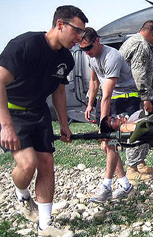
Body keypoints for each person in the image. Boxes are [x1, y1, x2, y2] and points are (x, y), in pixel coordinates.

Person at [0, 5, 88, 236]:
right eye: (77, 32)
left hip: (38, 112)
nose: (80, 39)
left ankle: (45, 226)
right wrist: (6, 125)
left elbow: (59, 92)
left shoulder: (66, 58)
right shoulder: (24, 46)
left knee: (47, 164)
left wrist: (65, 124)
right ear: (60, 24)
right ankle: (22, 196)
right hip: (11, 111)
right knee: (28, 164)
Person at [80, 27, 140, 203]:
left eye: (89, 48)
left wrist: (103, 128)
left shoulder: (111, 57)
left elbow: (107, 96)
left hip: (124, 99)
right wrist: (90, 104)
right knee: (107, 146)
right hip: (110, 99)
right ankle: (126, 186)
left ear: (97, 41)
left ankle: (106, 187)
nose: (87, 52)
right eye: (82, 49)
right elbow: (93, 81)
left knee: (111, 141)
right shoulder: (91, 57)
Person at [119, 20, 153, 180]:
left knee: (142, 127)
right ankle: (132, 169)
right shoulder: (141, 45)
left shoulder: (131, 41)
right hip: (135, 96)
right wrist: (145, 98)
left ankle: (140, 164)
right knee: (138, 128)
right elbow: (139, 75)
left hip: (129, 94)